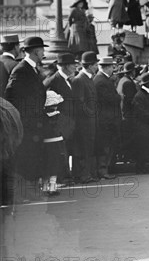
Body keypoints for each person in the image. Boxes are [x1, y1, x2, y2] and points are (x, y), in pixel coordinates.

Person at [5, 36, 48, 197]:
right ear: (36, 51)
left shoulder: (31, 69)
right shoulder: (21, 70)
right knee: (26, 157)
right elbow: (11, 96)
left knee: (33, 155)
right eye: (42, 50)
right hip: (27, 124)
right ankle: (24, 193)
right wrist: (24, 117)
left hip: (35, 123)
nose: (44, 52)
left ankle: (30, 191)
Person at [43, 53, 78, 184]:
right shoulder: (53, 81)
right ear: (66, 66)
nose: (75, 66)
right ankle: (60, 179)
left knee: (66, 150)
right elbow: (47, 104)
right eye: (73, 64)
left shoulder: (67, 80)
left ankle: (65, 177)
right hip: (58, 124)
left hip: (67, 123)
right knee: (60, 152)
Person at [71, 51, 99, 183]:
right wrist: (90, 114)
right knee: (83, 148)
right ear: (89, 65)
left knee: (88, 148)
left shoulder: (88, 78)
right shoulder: (79, 80)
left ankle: (86, 174)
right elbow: (80, 103)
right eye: (95, 64)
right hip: (84, 123)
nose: (97, 67)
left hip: (89, 121)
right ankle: (82, 175)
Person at [93, 57, 120, 180]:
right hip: (105, 119)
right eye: (111, 67)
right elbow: (108, 99)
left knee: (108, 145)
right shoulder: (101, 81)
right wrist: (119, 97)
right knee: (105, 146)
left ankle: (105, 169)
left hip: (108, 118)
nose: (113, 70)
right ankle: (103, 170)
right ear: (106, 67)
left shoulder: (103, 79)